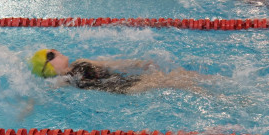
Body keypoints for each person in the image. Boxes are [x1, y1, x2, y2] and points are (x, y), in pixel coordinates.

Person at [30, 49, 206, 93]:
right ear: (49, 67)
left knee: (179, 75)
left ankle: (212, 81)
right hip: (123, 89)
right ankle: (215, 96)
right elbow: (41, 95)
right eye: (51, 54)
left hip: (123, 79)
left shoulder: (80, 62)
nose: (57, 51)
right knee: (173, 81)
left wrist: (137, 64)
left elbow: (111, 64)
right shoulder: (64, 80)